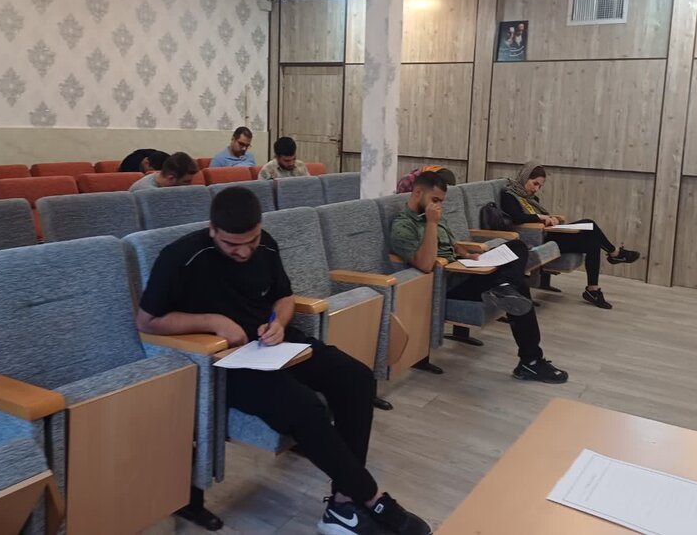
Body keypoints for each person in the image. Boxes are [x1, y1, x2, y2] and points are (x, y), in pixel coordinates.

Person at [136, 187, 431, 535]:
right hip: (224, 362)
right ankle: (371, 497)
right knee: (305, 407)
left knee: (357, 379)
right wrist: (213, 322)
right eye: (232, 244)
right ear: (212, 230)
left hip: (273, 344)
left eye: (251, 240)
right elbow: (147, 321)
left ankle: (342, 502)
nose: (244, 251)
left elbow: (284, 297)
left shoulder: (266, 245)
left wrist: (278, 321)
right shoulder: (180, 257)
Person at [390, 172, 568, 384]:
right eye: (434, 200)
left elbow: (453, 244)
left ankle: (504, 287)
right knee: (519, 288)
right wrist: (431, 223)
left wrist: (468, 255)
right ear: (418, 192)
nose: (438, 206)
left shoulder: (435, 215)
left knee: (517, 247)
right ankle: (530, 361)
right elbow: (426, 264)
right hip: (448, 284)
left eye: (440, 201)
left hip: (467, 271)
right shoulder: (403, 226)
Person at [500, 161, 640, 310]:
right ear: (525, 177)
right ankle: (614, 254)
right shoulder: (509, 195)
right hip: (536, 238)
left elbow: (538, 217)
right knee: (589, 225)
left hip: (548, 233)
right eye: (535, 184)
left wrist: (552, 219)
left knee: (592, 239)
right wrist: (541, 218)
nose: (536, 189)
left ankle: (593, 289)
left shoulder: (531, 199)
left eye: (540, 186)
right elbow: (516, 217)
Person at [128, 152, 198, 191]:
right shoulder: (146, 191)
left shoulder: (161, 182)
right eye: (186, 182)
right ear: (171, 178)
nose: (189, 185)